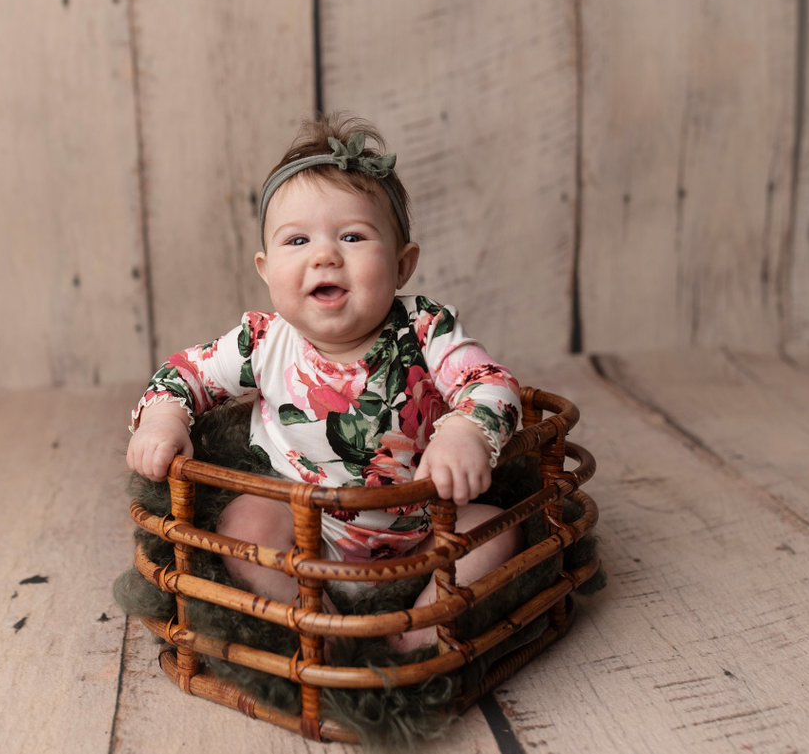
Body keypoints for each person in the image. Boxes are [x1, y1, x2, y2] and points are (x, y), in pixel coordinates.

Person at [126, 114, 521, 650]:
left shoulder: (427, 328)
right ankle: (325, 629)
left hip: (422, 530)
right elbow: (183, 375)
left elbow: (489, 383)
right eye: (297, 241)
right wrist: (164, 416)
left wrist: (465, 433)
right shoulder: (264, 342)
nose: (325, 254)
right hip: (307, 533)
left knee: (497, 529)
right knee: (243, 524)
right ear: (265, 270)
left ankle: (411, 641)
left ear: (403, 266)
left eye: (353, 236)